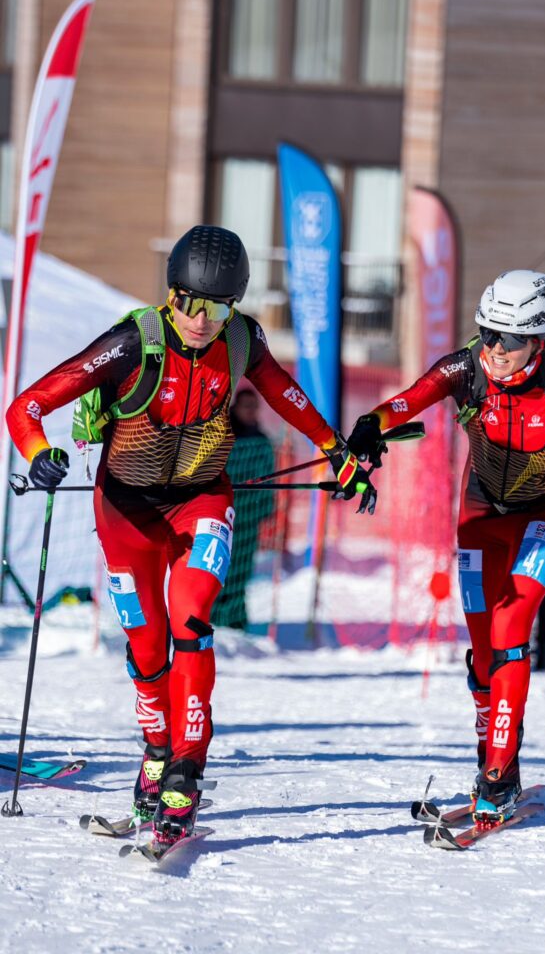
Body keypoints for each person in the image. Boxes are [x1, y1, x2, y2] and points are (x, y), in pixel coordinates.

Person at [5, 225, 375, 843]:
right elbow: (28, 405)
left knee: (192, 622)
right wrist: (39, 453)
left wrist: (334, 448)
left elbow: (285, 393)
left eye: (218, 305)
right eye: (189, 303)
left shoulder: (241, 339)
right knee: (148, 648)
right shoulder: (131, 343)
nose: (202, 319)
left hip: (203, 499)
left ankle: (187, 767)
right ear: (170, 294)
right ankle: (156, 748)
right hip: (126, 513)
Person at [347, 269, 545, 824]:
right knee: (482, 658)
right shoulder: (467, 366)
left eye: (510, 339)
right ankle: (497, 755)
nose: (495, 349)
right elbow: (409, 400)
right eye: (487, 333)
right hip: (479, 513)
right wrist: (370, 425)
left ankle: (497, 776)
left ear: (540, 339)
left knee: (509, 627)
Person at [210, 387, 274, 631]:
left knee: (241, 570)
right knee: (216, 567)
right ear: (235, 407)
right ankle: (212, 614)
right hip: (220, 513)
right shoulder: (223, 436)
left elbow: (268, 481)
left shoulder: (262, 441)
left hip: (248, 519)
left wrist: (263, 511)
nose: (249, 412)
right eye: (245, 406)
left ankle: (235, 619)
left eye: (253, 407)